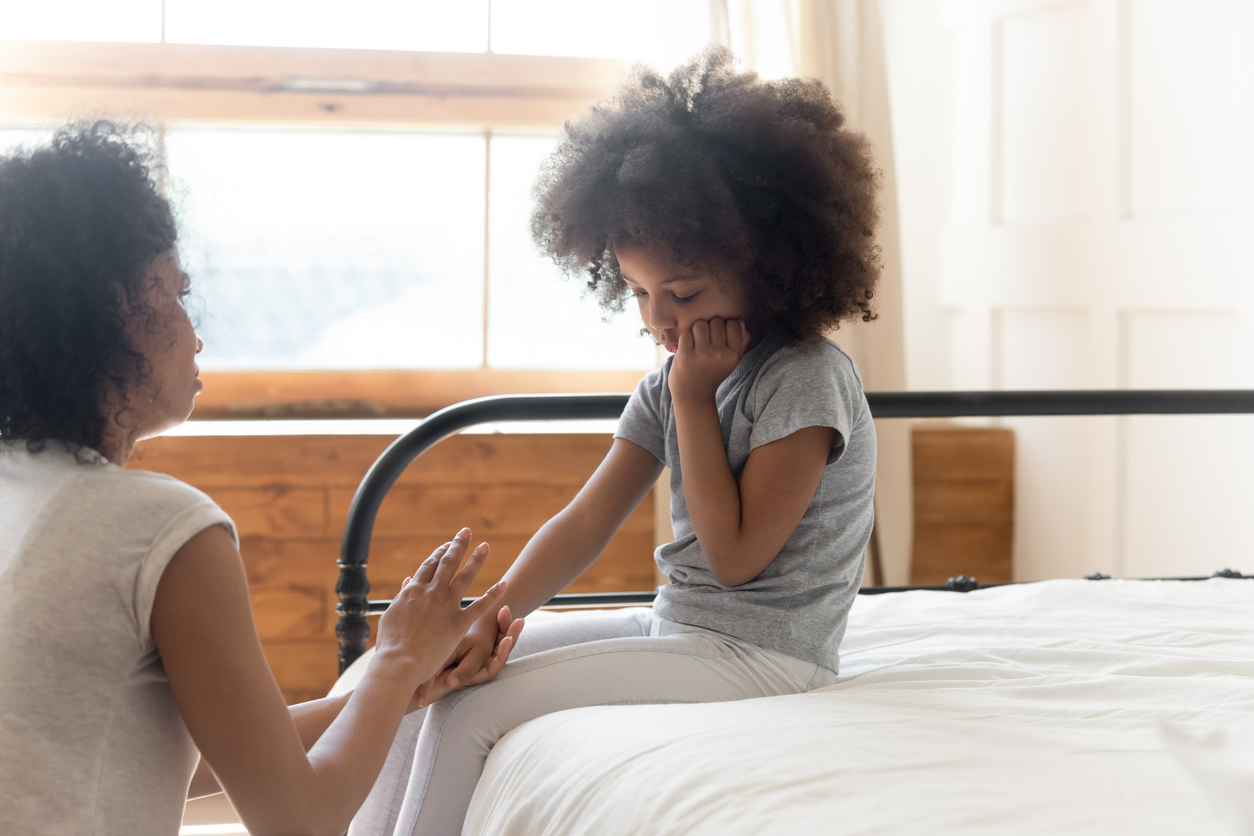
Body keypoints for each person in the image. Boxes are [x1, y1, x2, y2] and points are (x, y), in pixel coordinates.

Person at [351, 46, 882, 836]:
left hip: (766, 657)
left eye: (684, 292)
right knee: (419, 682)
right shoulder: (671, 379)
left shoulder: (802, 378)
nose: (658, 319)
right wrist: (484, 616)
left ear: (769, 267)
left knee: (474, 711)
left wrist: (694, 402)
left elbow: (736, 561)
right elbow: (585, 522)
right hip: (679, 626)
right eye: (638, 292)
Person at [0, 122, 523, 836]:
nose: (195, 330)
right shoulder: (156, 526)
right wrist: (397, 657)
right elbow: (296, 821)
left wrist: (393, 686)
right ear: (117, 308)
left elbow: (188, 754)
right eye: (177, 295)